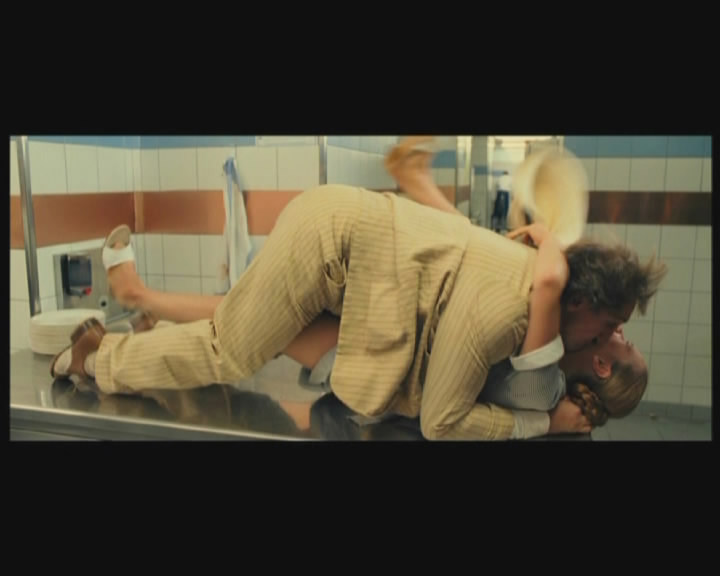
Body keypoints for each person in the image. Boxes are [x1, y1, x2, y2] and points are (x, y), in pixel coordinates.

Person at [51, 139, 666, 441]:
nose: (616, 331)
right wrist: (539, 425)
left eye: (619, 334)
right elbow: (443, 420)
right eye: (615, 324)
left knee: (236, 327)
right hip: (332, 246)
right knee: (230, 348)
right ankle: (96, 360)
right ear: (581, 304)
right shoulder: (509, 309)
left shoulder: (529, 285)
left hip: (355, 259)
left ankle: (135, 315)